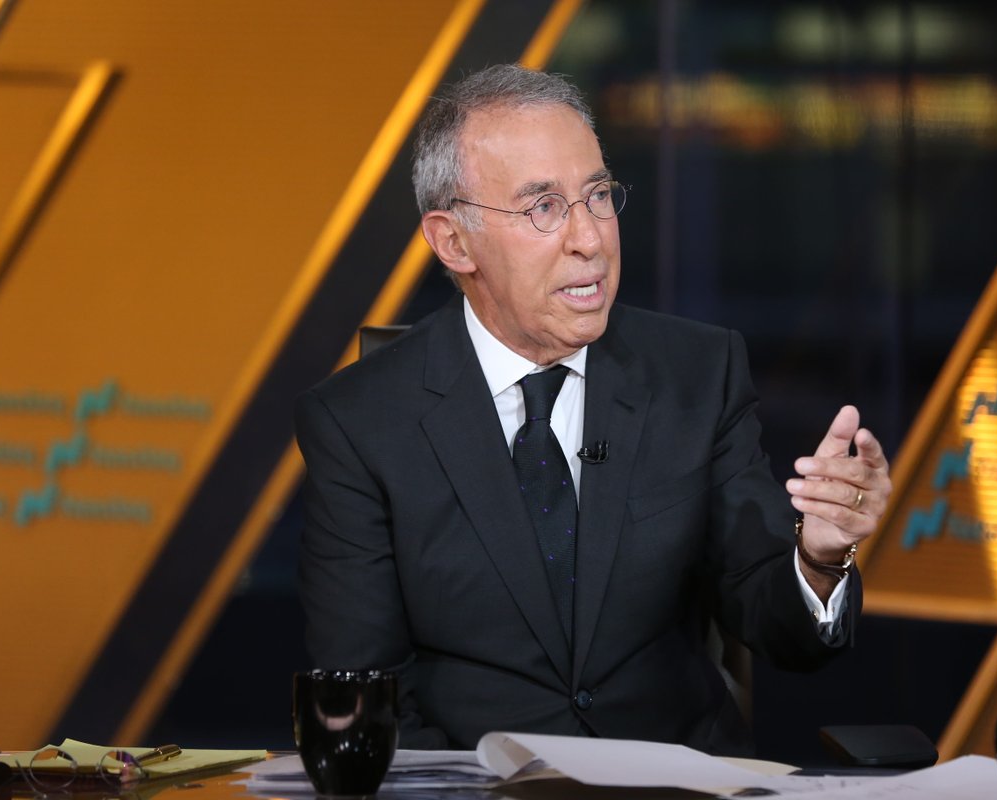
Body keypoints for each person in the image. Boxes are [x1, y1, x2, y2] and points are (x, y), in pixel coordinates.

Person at [295, 64, 891, 755]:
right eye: (544, 208)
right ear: (454, 242)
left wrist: (818, 559)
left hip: (674, 784)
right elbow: (367, 694)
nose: (590, 239)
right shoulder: (360, 423)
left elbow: (775, 621)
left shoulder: (697, 374)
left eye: (598, 196)